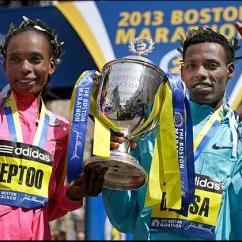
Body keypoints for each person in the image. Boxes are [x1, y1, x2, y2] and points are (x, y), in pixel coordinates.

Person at [102, 22, 242, 240]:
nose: (200, 73)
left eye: (211, 65)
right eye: (191, 65)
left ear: (230, 70)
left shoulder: (237, 138)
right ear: (182, 71)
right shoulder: (148, 131)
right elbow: (125, 218)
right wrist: (111, 168)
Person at [0, 16, 106, 240]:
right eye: (15, 59)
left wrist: (75, 192)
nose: (25, 68)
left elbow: (48, 206)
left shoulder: (61, 130)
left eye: (35, 59)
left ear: (51, 65)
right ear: (5, 64)